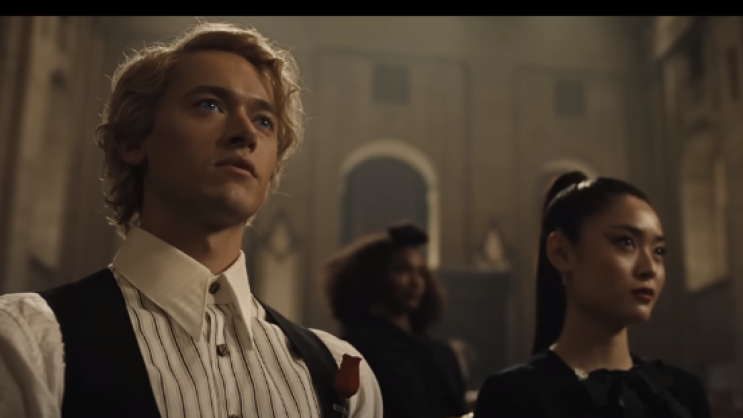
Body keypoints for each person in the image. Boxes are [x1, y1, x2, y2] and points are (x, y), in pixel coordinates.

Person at [0, 22, 382, 418]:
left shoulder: (340, 375)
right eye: (209, 105)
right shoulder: (27, 343)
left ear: (272, 170)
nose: (245, 134)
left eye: (264, 121)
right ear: (133, 140)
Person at [473, 171, 711, 418]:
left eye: (658, 251)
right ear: (561, 252)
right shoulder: (515, 394)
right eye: (626, 242)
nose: (650, 268)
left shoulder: (682, 391)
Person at [324, 222, 468, 418]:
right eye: (402, 270)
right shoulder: (356, 350)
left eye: (420, 272)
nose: (415, 282)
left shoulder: (441, 353)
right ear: (375, 277)